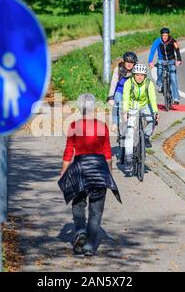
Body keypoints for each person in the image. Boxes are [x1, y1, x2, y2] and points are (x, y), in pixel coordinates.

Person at [58, 93, 121, 257]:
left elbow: (68, 151)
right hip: (99, 169)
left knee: (78, 203)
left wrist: (63, 172)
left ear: (80, 108)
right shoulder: (102, 126)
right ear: (94, 108)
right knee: (96, 210)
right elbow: (108, 153)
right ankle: (90, 245)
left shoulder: (73, 125)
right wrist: (110, 174)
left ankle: (80, 230)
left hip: (80, 169)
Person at [122, 64, 159, 172]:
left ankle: (146, 136)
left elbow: (152, 98)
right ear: (133, 75)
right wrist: (125, 112)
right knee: (129, 132)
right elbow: (125, 97)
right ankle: (129, 158)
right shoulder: (129, 83)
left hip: (145, 104)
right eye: (137, 75)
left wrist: (156, 112)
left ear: (145, 76)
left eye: (142, 75)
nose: (139, 77)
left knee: (152, 120)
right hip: (132, 105)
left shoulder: (149, 83)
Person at [148, 28, 182, 105]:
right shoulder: (157, 41)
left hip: (171, 60)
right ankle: (160, 84)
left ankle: (176, 98)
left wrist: (178, 60)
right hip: (161, 60)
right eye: (163, 35)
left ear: (168, 35)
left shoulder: (173, 41)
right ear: (161, 35)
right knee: (159, 71)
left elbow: (177, 50)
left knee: (173, 78)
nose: (165, 37)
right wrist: (150, 61)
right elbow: (152, 51)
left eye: (166, 35)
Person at [107, 51, 138, 132]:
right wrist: (110, 97)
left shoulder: (136, 70)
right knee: (117, 104)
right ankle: (115, 123)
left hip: (131, 91)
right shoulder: (118, 69)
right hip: (119, 91)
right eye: (127, 62)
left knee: (133, 106)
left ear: (134, 63)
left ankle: (131, 122)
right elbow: (113, 84)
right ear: (124, 61)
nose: (129, 64)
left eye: (132, 62)